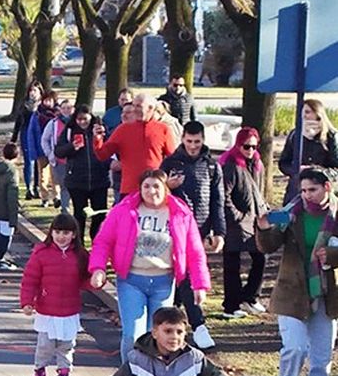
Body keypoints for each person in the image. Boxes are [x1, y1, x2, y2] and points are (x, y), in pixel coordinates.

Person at [89, 168, 211, 361]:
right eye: (146, 186)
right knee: (133, 335)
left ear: (165, 188)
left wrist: (200, 285)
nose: (151, 191)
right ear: (140, 188)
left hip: (163, 282)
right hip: (131, 280)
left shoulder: (180, 213)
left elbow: (195, 252)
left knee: (158, 337)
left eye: (156, 186)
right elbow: (102, 241)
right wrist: (98, 268)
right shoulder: (124, 210)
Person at [257, 167, 338, 376]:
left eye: (312, 190)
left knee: (321, 359)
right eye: (303, 190)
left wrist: (333, 256)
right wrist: (263, 228)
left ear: (327, 187)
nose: (306, 196)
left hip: (325, 295)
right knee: (295, 349)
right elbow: (268, 245)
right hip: (291, 292)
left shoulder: (336, 216)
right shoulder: (292, 213)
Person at [162, 121, 226, 350]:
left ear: (203, 139)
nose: (192, 146)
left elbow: (218, 201)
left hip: (199, 230)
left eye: (197, 142)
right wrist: (167, 185)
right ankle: (193, 325)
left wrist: (219, 232)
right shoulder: (170, 163)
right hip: (173, 230)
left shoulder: (211, 166)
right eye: (188, 141)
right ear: (183, 140)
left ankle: (182, 324)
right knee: (182, 279)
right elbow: (154, 195)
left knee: (188, 279)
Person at [20, 211, 90, 376]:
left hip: (69, 311)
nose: (61, 236)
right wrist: (27, 302)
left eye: (66, 233)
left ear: (74, 235)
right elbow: (30, 279)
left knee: (67, 347)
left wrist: (97, 278)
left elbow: (86, 279)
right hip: (47, 311)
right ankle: (39, 373)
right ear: (51, 232)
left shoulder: (80, 256)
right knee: (45, 346)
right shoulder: (41, 254)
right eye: (57, 232)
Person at [220, 127, 269, 317]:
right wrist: (238, 217)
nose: (250, 150)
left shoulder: (257, 164)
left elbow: (258, 192)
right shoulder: (231, 166)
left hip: (254, 220)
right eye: (246, 146)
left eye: (254, 146)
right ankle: (231, 305)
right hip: (237, 223)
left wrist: (263, 211)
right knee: (232, 263)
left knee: (261, 258)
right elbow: (224, 196)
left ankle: (249, 297)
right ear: (238, 145)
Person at [92, 93, 175, 200]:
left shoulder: (163, 129)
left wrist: (168, 180)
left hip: (155, 189)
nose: (134, 109)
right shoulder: (123, 129)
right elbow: (102, 155)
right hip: (129, 189)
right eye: (134, 105)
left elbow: (172, 159)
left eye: (138, 106)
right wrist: (98, 139)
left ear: (150, 108)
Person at [55, 104, 112, 242]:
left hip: (99, 179)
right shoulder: (70, 130)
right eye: (79, 119)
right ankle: (79, 244)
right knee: (79, 214)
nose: (82, 122)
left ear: (90, 117)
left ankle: (96, 240)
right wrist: (72, 147)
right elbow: (58, 151)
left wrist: (103, 135)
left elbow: (111, 146)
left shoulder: (99, 129)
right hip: (76, 180)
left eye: (85, 119)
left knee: (99, 214)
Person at [277, 97, 338, 204]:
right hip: (296, 190)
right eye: (302, 112)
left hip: (321, 192)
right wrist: (296, 169)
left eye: (308, 112)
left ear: (317, 113)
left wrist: (316, 172)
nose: (304, 115)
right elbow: (283, 163)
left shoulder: (331, 136)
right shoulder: (295, 134)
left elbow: (336, 168)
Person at [0, 142, 22, 263]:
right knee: (6, 235)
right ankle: (0, 257)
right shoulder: (12, 172)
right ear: (17, 156)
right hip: (6, 209)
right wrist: (14, 217)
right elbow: (12, 195)